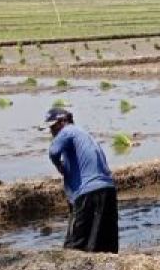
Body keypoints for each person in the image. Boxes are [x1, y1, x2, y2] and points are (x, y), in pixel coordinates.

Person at [44, 107, 119, 253]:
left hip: (88, 193)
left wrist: (58, 165)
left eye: (53, 127)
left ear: (62, 122)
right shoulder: (85, 137)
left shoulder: (67, 131)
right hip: (108, 191)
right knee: (105, 244)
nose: (52, 132)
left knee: (75, 246)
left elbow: (53, 151)